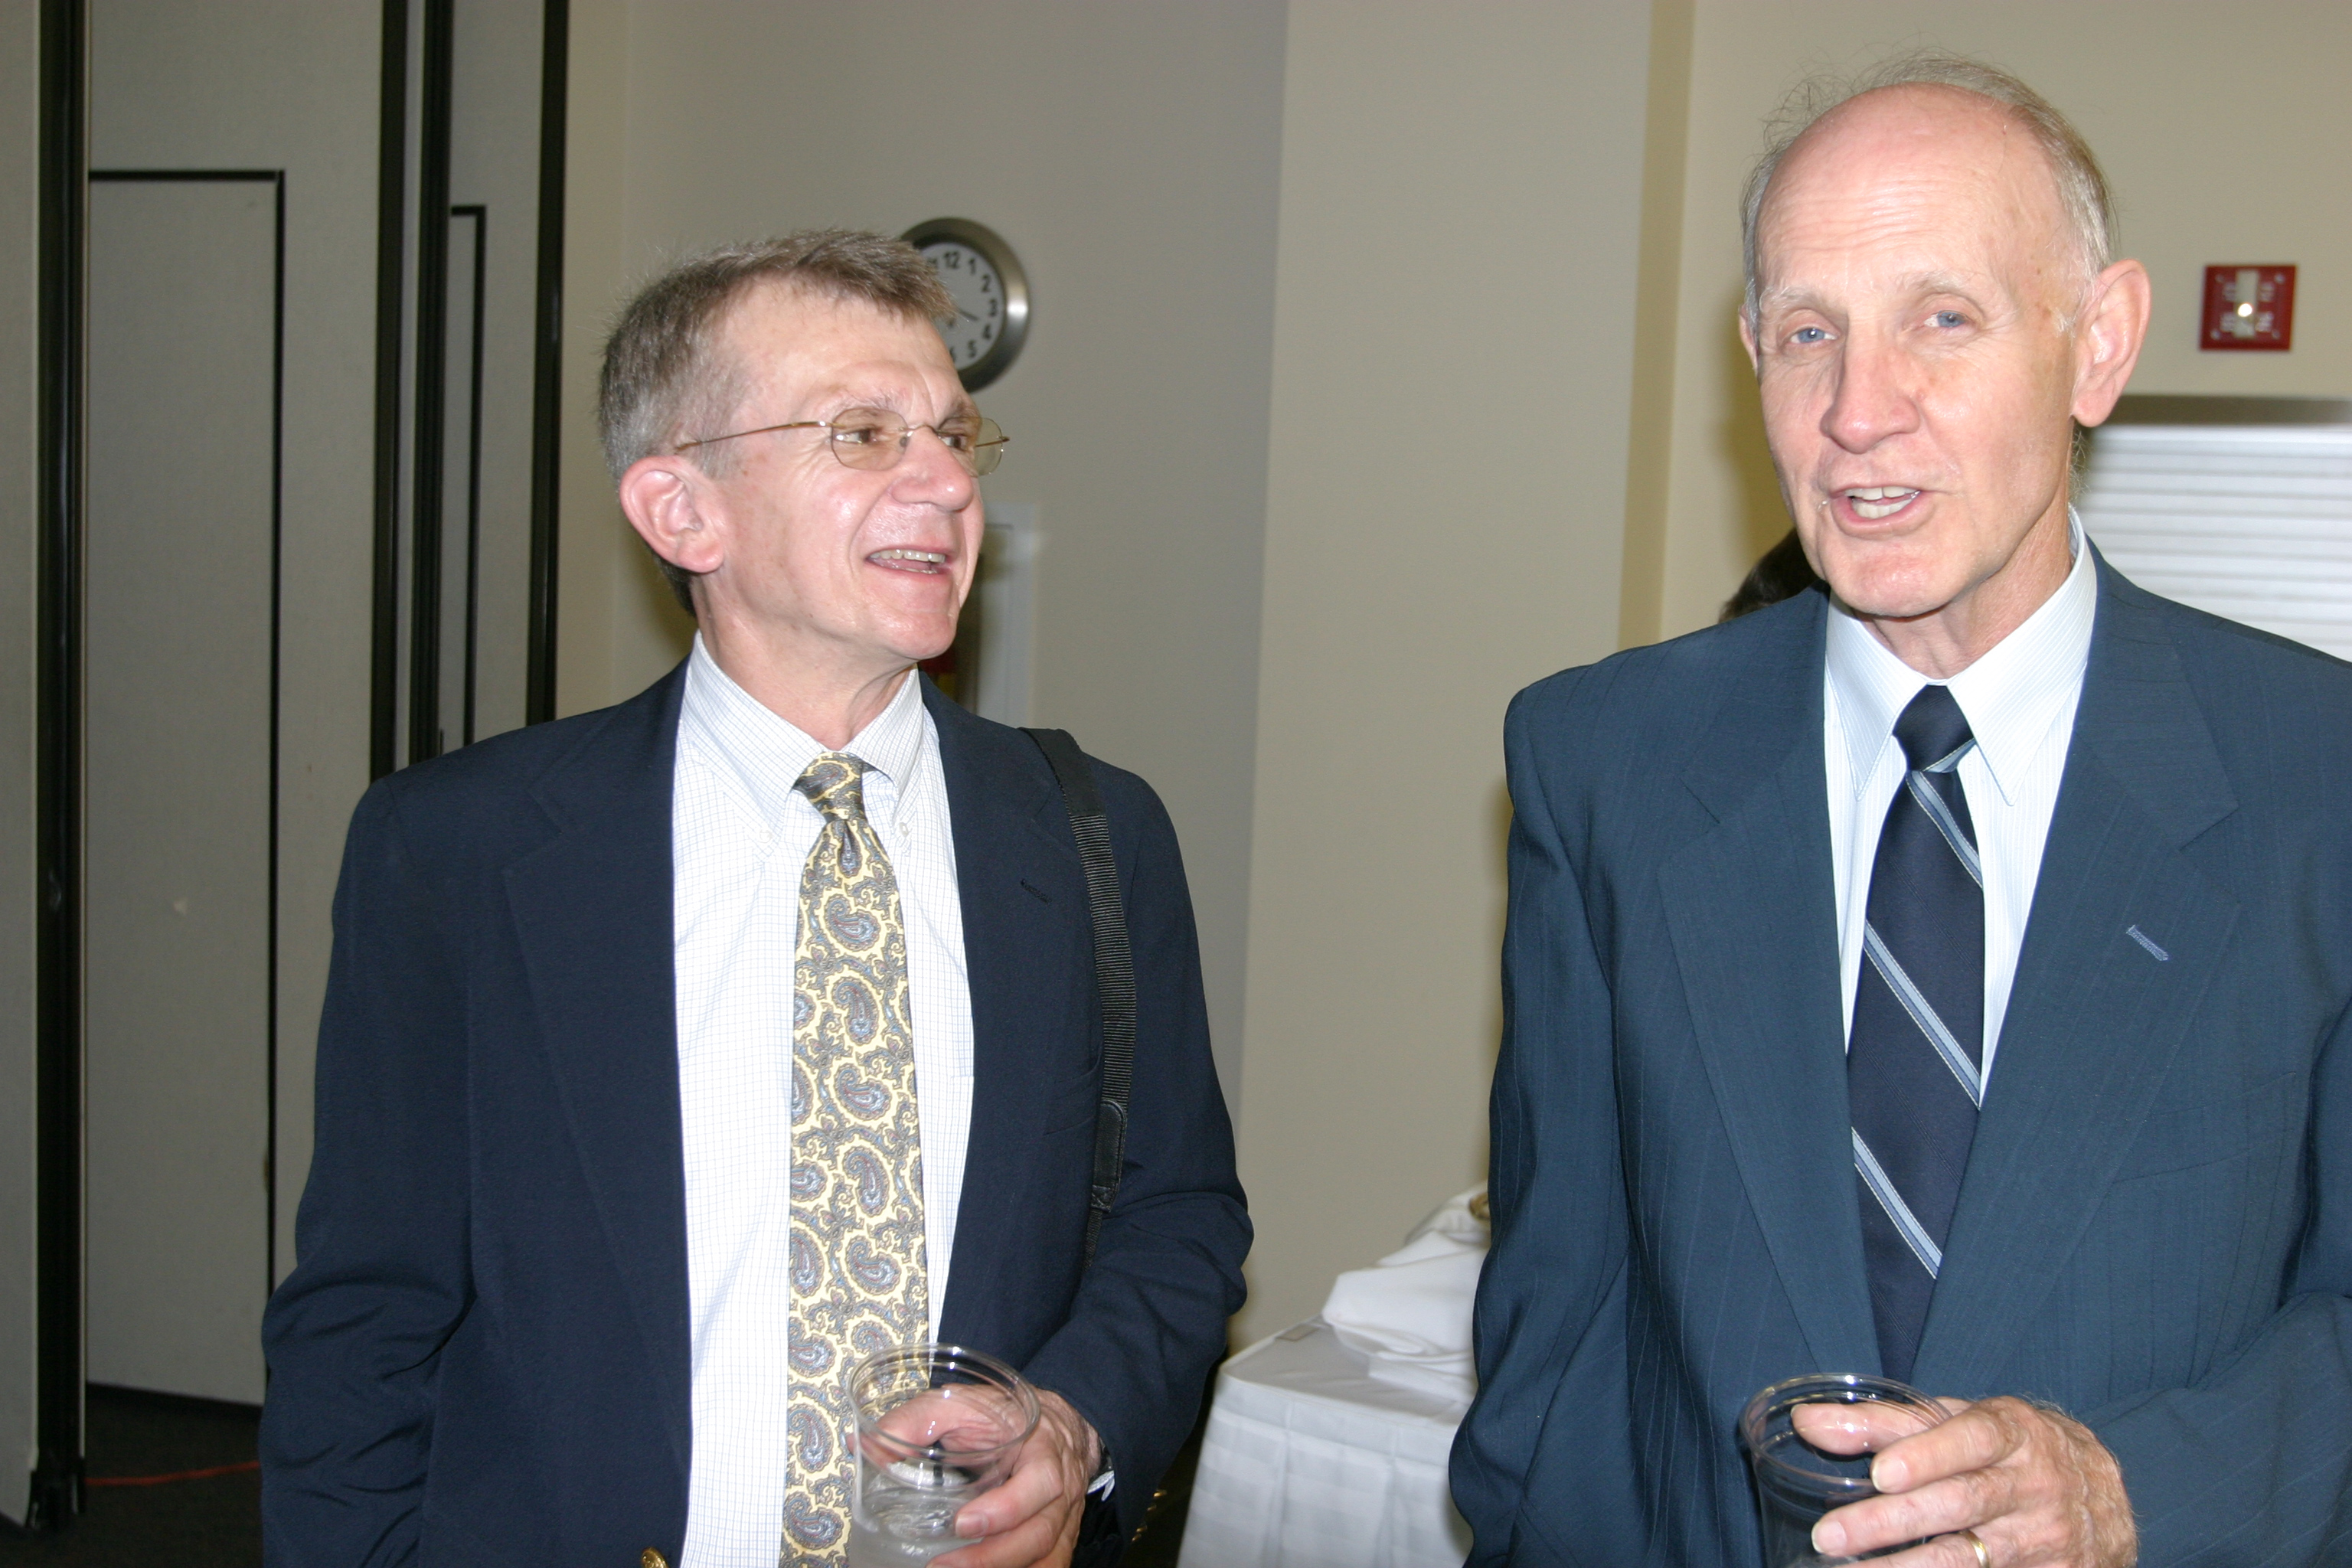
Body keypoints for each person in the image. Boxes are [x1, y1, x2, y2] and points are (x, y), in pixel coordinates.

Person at [1453, 53, 2352, 1568]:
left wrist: (2128, 1491)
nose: (1859, 412)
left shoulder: (2316, 779)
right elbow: (1564, 1324)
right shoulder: (1605, 761)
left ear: (2099, 344)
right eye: (1809, 333)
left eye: (1942, 317)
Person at [260, 231, 1249, 1568]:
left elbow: (1177, 1217)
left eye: (955, 437)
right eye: (863, 433)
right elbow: (367, 1313)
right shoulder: (460, 851)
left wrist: (1076, 1424)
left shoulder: (1096, 838)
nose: (946, 482)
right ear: (684, 512)